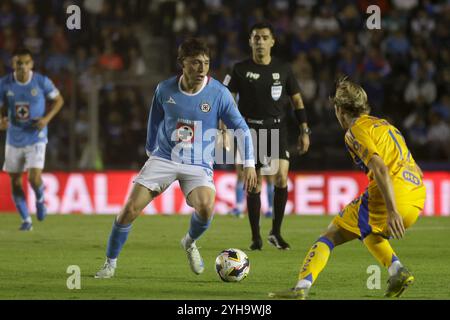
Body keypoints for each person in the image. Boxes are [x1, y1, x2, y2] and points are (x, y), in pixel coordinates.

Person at [95, 38, 257, 278]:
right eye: (195, 63)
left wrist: (249, 163)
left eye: (206, 63)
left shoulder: (219, 94)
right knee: (129, 210)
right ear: (182, 63)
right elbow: (154, 123)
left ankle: (189, 242)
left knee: (206, 208)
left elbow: (241, 128)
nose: (202, 69)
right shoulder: (164, 89)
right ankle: (110, 263)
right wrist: (152, 154)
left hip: (198, 163)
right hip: (164, 158)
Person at [269, 78, 426, 299]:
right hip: (417, 194)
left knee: (330, 234)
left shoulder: (355, 131)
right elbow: (416, 168)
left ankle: (300, 288)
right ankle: (397, 271)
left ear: (339, 109)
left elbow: (380, 168)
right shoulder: (385, 125)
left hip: (393, 195)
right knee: (366, 229)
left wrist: (392, 210)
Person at [224, 22, 310, 250]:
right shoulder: (240, 69)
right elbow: (226, 100)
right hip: (250, 131)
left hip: (277, 129)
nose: (260, 41)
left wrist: (304, 130)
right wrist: (223, 130)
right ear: (250, 42)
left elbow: (297, 101)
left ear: (273, 41)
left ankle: (276, 232)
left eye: (264, 37)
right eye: (256, 38)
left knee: (281, 177)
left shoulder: (284, 69)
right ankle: (256, 237)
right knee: (254, 184)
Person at [0, 48, 64, 231]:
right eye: (18, 63)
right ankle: (26, 220)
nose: (23, 66)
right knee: (15, 181)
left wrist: (46, 119)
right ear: (13, 65)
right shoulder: (5, 84)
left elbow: (59, 100)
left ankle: (40, 198)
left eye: (26, 63)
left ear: (31, 64)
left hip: (36, 136)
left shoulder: (41, 81)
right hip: (13, 138)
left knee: (34, 177)